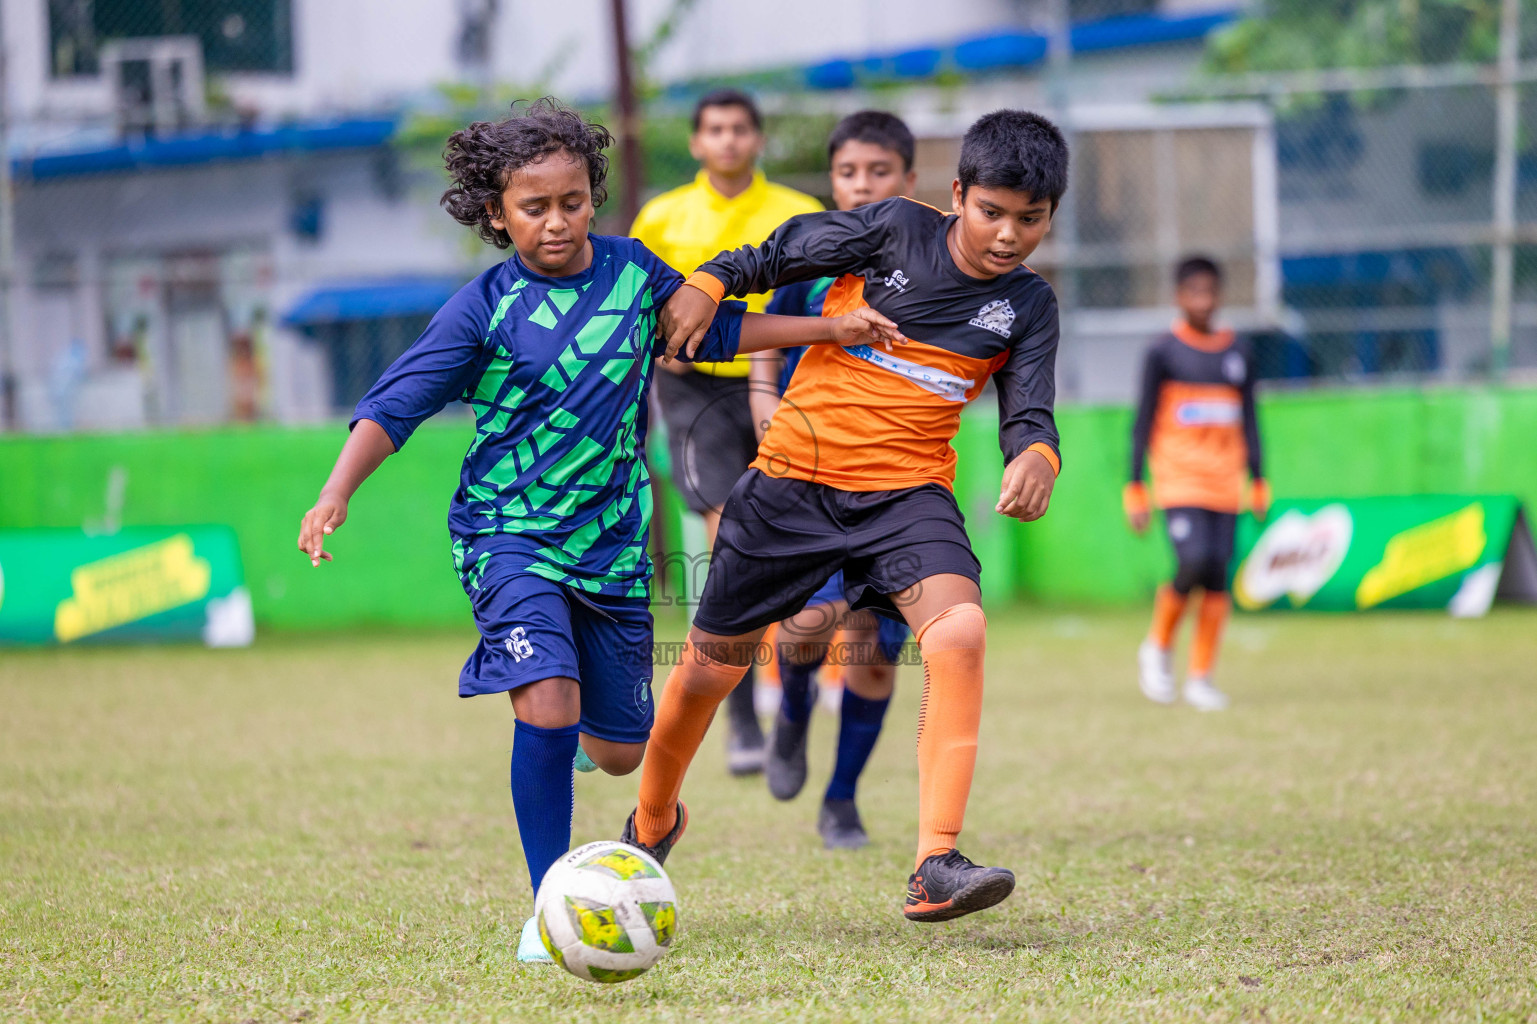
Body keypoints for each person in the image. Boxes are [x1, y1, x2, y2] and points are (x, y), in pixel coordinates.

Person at [294, 99, 898, 963]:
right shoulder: (485, 308)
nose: (556, 221)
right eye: (533, 207)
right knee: (545, 698)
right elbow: (398, 403)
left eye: (572, 201)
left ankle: (597, 751)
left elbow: (711, 331)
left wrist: (827, 327)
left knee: (617, 754)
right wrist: (334, 493)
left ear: (592, 196)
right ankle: (551, 906)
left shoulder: (630, 271)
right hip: (509, 534)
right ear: (497, 214)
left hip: (611, 545)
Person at [622, 109, 1069, 924]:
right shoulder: (895, 228)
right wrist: (710, 279)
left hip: (906, 497)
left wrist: (1035, 456)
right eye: (991, 212)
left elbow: (1029, 413)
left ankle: (934, 861)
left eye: (1029, 220)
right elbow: (779, 249)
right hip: (791, 482)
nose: (1007, 236)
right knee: (702, 674)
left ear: (1049, 216)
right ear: (958, 194)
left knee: (959, 635)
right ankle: (652, 824)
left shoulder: (1028, 306)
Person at [630, 88, 824, 776]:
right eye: (714, 129)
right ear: (695, 142)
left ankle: (787, 684)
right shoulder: (662, 215)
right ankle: (739, 717)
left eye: (740, 129)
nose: (728, 140)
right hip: (692, 386)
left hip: (788, 384)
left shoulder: (800, 215)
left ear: (758, 139)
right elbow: (640, 302)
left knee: (795, 534)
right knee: (725, 531)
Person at [750, 111, 919, 850]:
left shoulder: (933, 267)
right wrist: (764, 410)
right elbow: (762, 347)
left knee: (874, 654)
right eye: (848, 173)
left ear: (909, 182)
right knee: (807, 625)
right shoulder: (811, 258)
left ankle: (842, 799)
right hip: (809, 478)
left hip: (894, 484)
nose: (861, 186)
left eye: (877, 172)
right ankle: (790, 713)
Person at [1124, 256, 1269, 711]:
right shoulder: (1162, 352)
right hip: (1179, 479)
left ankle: (1201, 676)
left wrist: (1259, 479)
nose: (1203, 302)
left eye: (1211, 293)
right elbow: (1142, 421)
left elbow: (1250, 418)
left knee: (1218, 577)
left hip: (1226, 483)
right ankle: (1158, 645)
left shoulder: (1238, 352)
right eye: (1194, 293)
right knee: (1194, 560)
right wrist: (1135, 485)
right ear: (1179, 297)